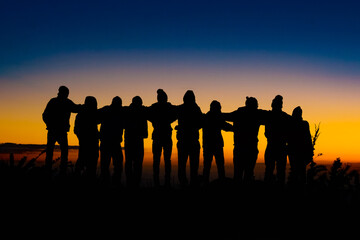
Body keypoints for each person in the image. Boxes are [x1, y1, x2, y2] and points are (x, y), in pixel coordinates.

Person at [223, 97, 267, 184]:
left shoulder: (239, 113)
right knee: (248, 173)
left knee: (238, 174)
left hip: (240, 148)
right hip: (251, 148)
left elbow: (224, 116)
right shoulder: (257, 114)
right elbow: (272, 116)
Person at [42, 86, 81, 175]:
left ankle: (51, 172)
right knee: (61, 152)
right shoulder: (64, 102)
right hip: (59, 131)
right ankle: (59, 172)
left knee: (53, 152)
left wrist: (49, 124)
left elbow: (44, 115)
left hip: (55, 131)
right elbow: (76, 108)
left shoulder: (55, 101)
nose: (67, 95)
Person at [147, 89, 177, 188]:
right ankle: (166, 182)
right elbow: (175, 115)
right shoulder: (168, 107)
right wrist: (168, 121)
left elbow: (148, 115)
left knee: (158, 161)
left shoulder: (154, 107)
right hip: (165, 136)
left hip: (158, 137)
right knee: (165, 161)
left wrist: (155, 122)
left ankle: (159, 183)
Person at [175, 90, 203, 187]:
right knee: (193, 166)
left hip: (184, 141)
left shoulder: (181, 108)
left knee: (182, 165)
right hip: (192, 141)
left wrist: (181, 127)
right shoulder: (196, 108)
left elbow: (200, 123)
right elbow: (200, 123)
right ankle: (192, 184)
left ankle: (185, 184)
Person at [202, 100, 233, 185]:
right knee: (220, 165)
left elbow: (224, 125)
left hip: (207, 145)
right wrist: (235, 128)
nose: (220, 110)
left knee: (207, 166)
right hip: (216, 145)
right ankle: (221, 182)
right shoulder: (216, 117)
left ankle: (205, 183)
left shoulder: (206, 117)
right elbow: (225, 126)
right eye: (219, 108)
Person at [264, 95, 291, 185]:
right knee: (280, 172)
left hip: (273, 146)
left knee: (270, 170)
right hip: (280, 147)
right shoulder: (286, 117)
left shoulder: (268, 115)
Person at [98, 96, 125, 186]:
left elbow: (96, 119)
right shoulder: (120, 112)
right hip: (111, 143)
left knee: (107, 165)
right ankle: (112, 183)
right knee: (114, 165)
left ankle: (109, 182)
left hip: (109, 143)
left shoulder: (106, 110)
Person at [74, 96, 100, 180]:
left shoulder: (82, 114)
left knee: (87, 162)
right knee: (86, 162)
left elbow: (76, 130)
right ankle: (83, 179)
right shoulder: (87, 114)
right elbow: (76, 130)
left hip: (89, 142)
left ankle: (83, 178)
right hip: (88, 143)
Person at [124, 96, 148, 188]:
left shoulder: (127, 111)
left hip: (131, 142)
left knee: (131, 163)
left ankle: (131, 183)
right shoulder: (142, 112)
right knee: (135, 164)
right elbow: (145, 134)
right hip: (136, 142)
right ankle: (134, 184)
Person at [287, 106, 314, 189]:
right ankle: (300, 189)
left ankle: (297, 189)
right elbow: (308, 139)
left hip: (297, 152)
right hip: (299, 152)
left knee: (298, 172)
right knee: (300, 172)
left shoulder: (293, 124)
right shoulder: (304, 124)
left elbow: (308, 139)